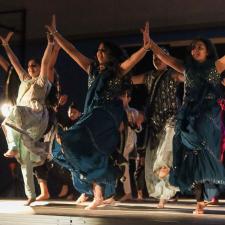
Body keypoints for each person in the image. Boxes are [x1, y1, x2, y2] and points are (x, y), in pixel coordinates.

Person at [46, 15, 151, 209]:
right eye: (98, 50)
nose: (99, 53)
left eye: (104, 50)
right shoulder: (91, 68)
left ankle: (101, 188)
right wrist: (56, 34)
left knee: (74, 137)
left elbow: (131, 62)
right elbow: (72, 51)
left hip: (106, 115)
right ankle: (98, 193)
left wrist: (145, 48)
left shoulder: (117, 70)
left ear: (111, 54)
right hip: (91, 114)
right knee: (67, 151)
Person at [149, 36, 225, 214]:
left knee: (198, 148)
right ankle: (199, 201)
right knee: (191, 156)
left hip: (207, 116)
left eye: (200, 47)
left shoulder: (215, 66)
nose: (195, 50)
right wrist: (151, 44)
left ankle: (199, 190)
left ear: (207, 51)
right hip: (188, 114)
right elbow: (163, 57)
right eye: (193, 48)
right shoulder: (186, 67)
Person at [0, 32, 54, 205]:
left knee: (13, 111)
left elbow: (46, 62)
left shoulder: (41, 82)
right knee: (24, 160)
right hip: (23, 122)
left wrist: (50, 44)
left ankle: (14, 146)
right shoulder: (24, 79)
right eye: (29, 66)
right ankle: (30, 195)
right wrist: (7, 46)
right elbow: (15, 63)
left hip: (36, 117)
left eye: (34, 66)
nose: (31, 69)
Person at [132, 49, 183, 208]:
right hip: (154, 122)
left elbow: (188, 75)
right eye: (154, 57)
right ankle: (162, 196)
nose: (156, 59)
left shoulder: (173, 74)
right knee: (153, 159)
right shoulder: (148, 77)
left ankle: (166, 170)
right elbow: (128, 79)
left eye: (160, 57)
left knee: (165, 152)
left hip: (171, 118)